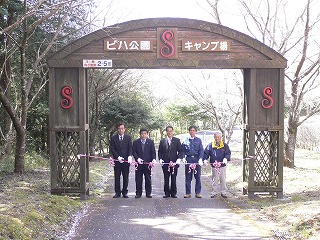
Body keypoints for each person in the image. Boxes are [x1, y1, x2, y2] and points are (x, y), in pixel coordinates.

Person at [203, 131, 231, 198]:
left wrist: (226, 159)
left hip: (222, 166)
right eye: (216, 137)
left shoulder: (225, 145)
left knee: (223, 179)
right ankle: (214, 192)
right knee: (214, 179)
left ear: (221, 137)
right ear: (214, 137)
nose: (217, 138)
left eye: (218, 137)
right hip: (214, 166)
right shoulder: (210, 145)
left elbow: (228, 153)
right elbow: (206, 153)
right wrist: (205, 159)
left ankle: (223, 192)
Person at [158, 126, 183, 198]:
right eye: (168, 131)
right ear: (166, 132)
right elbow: (160, 151)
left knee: (173, 178)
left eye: (170, 131)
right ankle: (166, 193)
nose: (169, 132)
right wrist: (160, 159)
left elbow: (180, 151)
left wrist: (179, 159)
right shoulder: (163, 141)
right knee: (166, 178)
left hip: (174, 163)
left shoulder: (177, 140)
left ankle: (173, 193)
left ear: (173, 131)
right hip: (165, 163)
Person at [109, 122, 133, 198]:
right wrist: (117, 157)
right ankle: (117, 192)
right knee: (117, 176)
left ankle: (125, 192)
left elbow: (130, 148)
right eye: (119, 128)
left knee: (125, 177)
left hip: (126, 161)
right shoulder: (113, 138)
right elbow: (112, 148)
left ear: (125, 129)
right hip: (117, 161)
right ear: (117, 129)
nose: (121, 130)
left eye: (122, 128)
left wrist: (129, 156)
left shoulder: (128, 138)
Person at [132, 128, 157, 198]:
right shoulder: (136, 142)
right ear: (140, 134)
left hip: (148, 164)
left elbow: (153, 152)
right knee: (138, 179)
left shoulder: (150, 142)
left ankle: (148, 193)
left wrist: (154, 159)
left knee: (148, 178)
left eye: (145, 134)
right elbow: (133, 152)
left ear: (147, 134)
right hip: (139, 164)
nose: (143, 135)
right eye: (142, 134)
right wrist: (137, 158)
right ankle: (138, 193)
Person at [181, 126, 204, 198]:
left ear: (196, 132)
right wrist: (183, 157)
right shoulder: (185, 140)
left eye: (193, 130)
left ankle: (198, 193)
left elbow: (201, 150)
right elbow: (182, 150)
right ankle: (188, 193)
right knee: (188, 177)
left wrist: (200, 159)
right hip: (189, 159)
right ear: (189, 131)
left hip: (197, 160)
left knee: (197, 177)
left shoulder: (199, 140)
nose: (192, 131)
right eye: (191, 130)